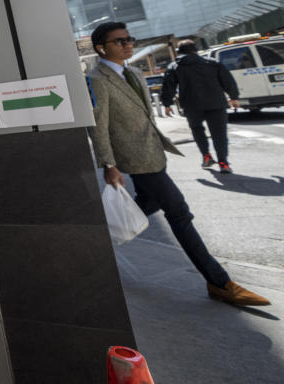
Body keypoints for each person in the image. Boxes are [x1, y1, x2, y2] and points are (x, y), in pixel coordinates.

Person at [87, 22, 269, 307]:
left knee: (147, 204)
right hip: (135, 157)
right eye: (119, 41)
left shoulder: (134, 72)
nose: (127, 45)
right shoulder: (97, 78)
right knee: (179, 212)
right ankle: (219, 282)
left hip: (154, 152)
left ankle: (91, 240)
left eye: (128, 39)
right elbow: (99, 125)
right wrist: (108, 164)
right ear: (101, 47)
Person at [161, 39, 239, 173]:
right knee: (219, 134)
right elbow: (228, 81)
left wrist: (167, 104)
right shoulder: (212, 63)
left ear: (179, 52)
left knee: (197, 131)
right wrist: (233, 97)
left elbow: (169, 87)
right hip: (216, 103)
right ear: (195, 50)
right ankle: (223, 163)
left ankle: (206, 156)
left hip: (191, 106)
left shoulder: (174, 66)